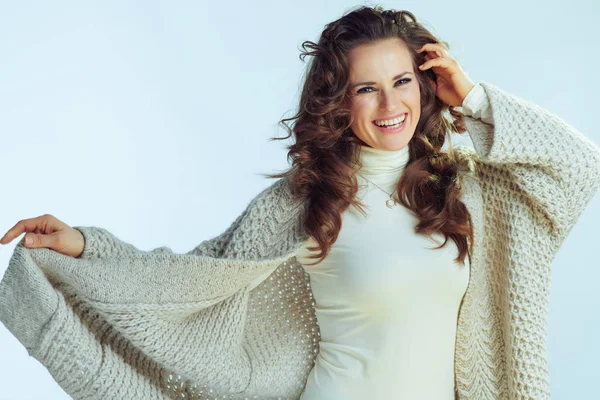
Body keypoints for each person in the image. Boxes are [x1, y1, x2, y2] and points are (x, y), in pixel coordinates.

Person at [1, 5, 599, 400]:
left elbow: (579, 169)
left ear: (425, 83)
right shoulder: (307, 201)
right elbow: (193, 278)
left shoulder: (467, 191)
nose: (389, 103)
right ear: (340, 101)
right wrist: (82, 246)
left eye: (401, 81)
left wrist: (475, 98)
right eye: (366, 88)